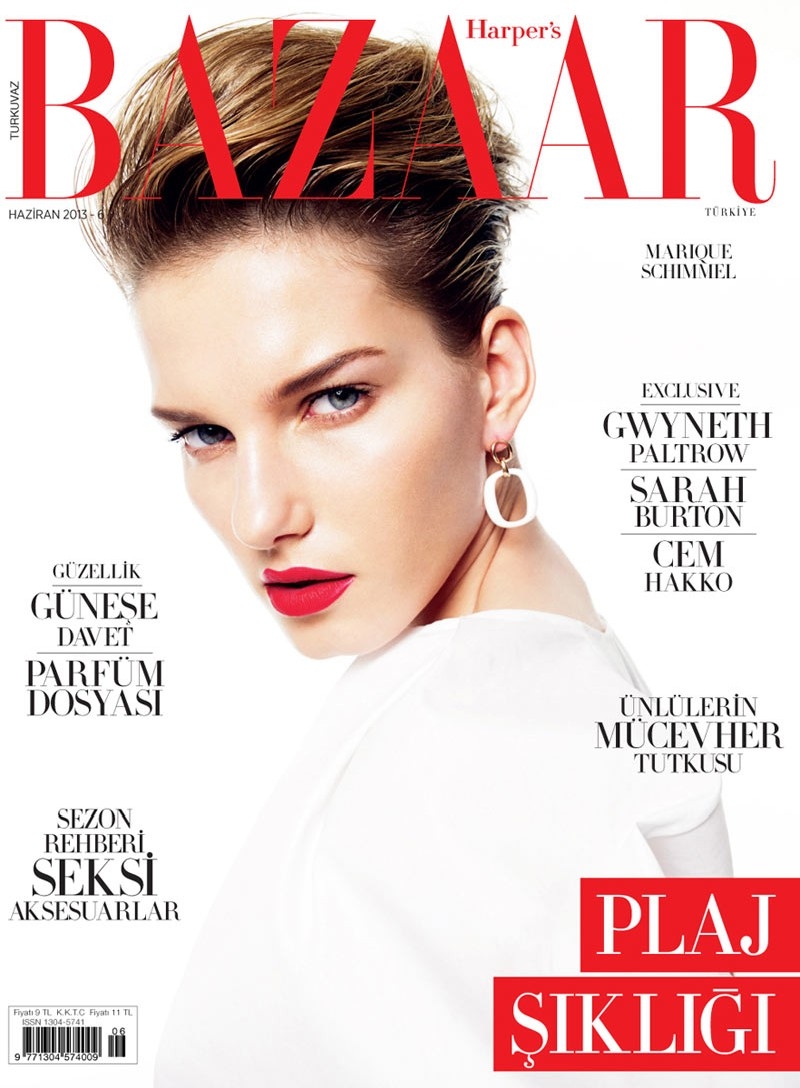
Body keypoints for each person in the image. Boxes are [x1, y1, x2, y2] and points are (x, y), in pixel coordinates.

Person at [92, 20, 732, 1087]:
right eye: (204, 432)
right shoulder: (555, 672)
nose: (259, 516)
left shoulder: (452, 757)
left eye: (334, 398)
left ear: (495, 378)